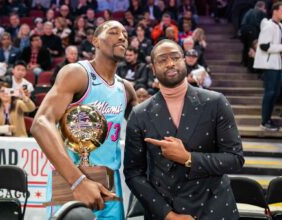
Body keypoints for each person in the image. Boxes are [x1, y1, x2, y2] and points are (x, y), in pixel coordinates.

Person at [124, 39, 244, 220]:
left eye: (175, 57)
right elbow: (133, 174)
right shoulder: (139, 114)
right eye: (162, 60)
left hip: (214, 208)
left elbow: (235, 159)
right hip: (164, 211)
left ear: (185, 61)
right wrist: (168, 215)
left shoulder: (216, 102)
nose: (170, 63)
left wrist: (188, 158)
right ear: (153, 69)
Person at [30, 20, 137, 219]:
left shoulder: (126, 89)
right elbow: (40, 123)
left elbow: (147, 133)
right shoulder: (77, 73)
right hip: (71, 179)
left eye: (125, 34)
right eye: (114, 32)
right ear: (95, 41)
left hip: (110, 184)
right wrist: (77, 181)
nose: (122, 37)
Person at [253, 1, 282, 131]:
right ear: (275, 11)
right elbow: (263, 46)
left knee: (275, 93)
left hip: (277, 64)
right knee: (270, 93)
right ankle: (264, 122)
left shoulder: (280, 26)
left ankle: (268, 119)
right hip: (269, 64)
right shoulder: (269, 26)